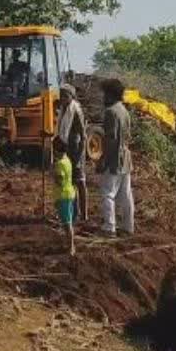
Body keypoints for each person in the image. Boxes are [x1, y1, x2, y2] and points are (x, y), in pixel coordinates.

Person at [97, 78, 135, 236]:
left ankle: (109, 228)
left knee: (107, 192)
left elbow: (111, 139)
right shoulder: (124, 110)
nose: (103, 97)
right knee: (126, 194)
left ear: (111, 95)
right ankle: (128, 227)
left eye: (105, 94)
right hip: (125, 157)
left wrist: (103, 159)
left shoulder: (111, 112)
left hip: (115, 158)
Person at [57, 84, 89, 220]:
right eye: (61, 96)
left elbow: (83, 136)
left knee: (80, 182)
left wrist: (80, 156)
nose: (63, 98)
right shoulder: (63, 110)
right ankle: (74, 213)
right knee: (69, 183)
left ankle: (84, 215)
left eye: (66, 96)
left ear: (72, 96)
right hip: (66, 150)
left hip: (76, 150)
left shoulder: (75, 110)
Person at [52, 136, 77, 256]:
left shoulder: (60, 164)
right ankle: (69, 244)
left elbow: (60, 181)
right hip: (69, 193)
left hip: (63, 196)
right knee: (67, 221)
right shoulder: (67, 160)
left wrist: (53, 173)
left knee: (67, 223)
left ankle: (71, 246)